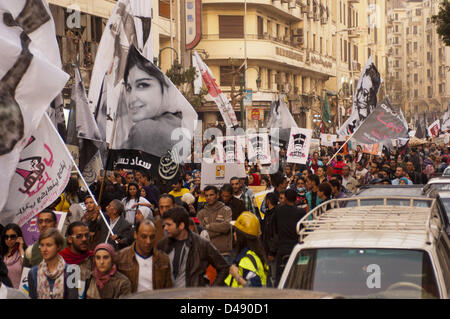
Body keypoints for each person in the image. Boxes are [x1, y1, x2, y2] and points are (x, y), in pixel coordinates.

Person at [120, 45, 194, 157]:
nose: (132, 97)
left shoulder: (144, 130)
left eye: (142, 85)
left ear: (164, 89)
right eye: (129, 88)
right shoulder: (180, 125)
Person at [158, 207, 229, 287]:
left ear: (181, 225)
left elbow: (224, 267)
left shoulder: (201, 244)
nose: (165, 228)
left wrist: (213, 290)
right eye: (164, 225)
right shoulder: (163, 244)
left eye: (169, 225)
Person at [115, 220, 172, 293]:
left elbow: (168, 290)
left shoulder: (163, 259)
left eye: (152, 237)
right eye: (144, 236)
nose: (148, 241)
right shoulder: (121, 257)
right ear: (136, 235)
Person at [27, 228, 79, 299]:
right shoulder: (33, 272)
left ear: (58, 246)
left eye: (49, 245)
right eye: (42, 245)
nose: (44, 249)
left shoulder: (72, 271)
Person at [270, 189, 306, 286]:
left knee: (279, 278)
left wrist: (272, 251)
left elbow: (275, 231)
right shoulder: (301, 212)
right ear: (296, 199)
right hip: (296, 247)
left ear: (285, 198)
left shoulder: (278, 210)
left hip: (282, 249)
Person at [225, 212, 269, 287]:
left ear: (241, 236)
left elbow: (254, 289)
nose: (234, 234)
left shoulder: (247, 260)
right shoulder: (254, 255)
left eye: (236, 231)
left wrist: (237, 276)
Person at [197, 186, 233, 263]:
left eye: (211, 195)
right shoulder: (201, 213)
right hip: (207, 254)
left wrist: (208, 226)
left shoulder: (226, 210)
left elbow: (227, 227)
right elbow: (200, 233)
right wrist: (220, 231)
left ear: (217, 195)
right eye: (206, 195)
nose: (208, 197)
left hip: (224, 254)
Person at [1, 224, 27, 289]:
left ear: (19, 237)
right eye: (6, 237)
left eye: (12, 236)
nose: (9, 239)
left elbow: (26, 266)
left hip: (19, 294)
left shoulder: (24, 253)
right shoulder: (2, 254)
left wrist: (21, 248)